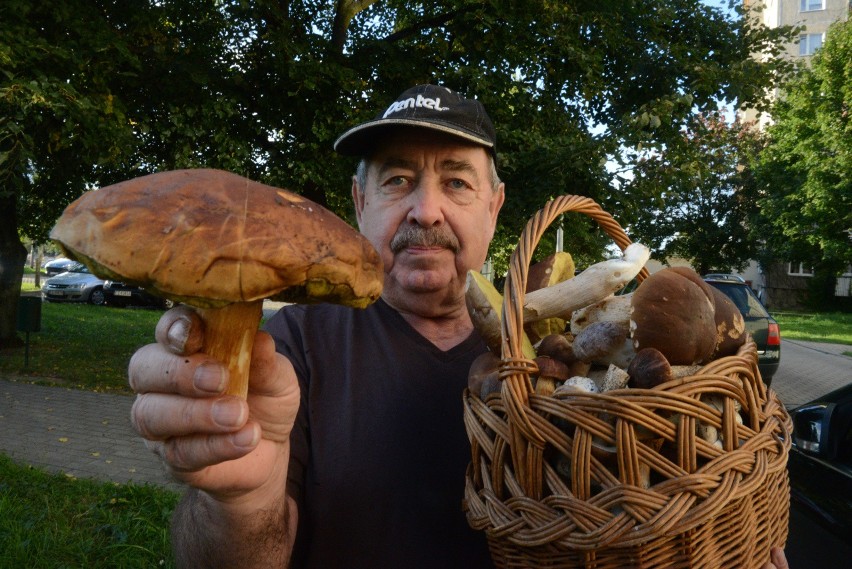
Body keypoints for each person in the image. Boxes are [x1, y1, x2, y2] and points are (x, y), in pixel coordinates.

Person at [128, 84, 791, 569]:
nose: (426, 209)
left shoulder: (556, 348)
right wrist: (238, 498)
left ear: (496, 209)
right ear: (360, 204)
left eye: (457, 182)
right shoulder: (294, 348)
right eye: (396, 180)